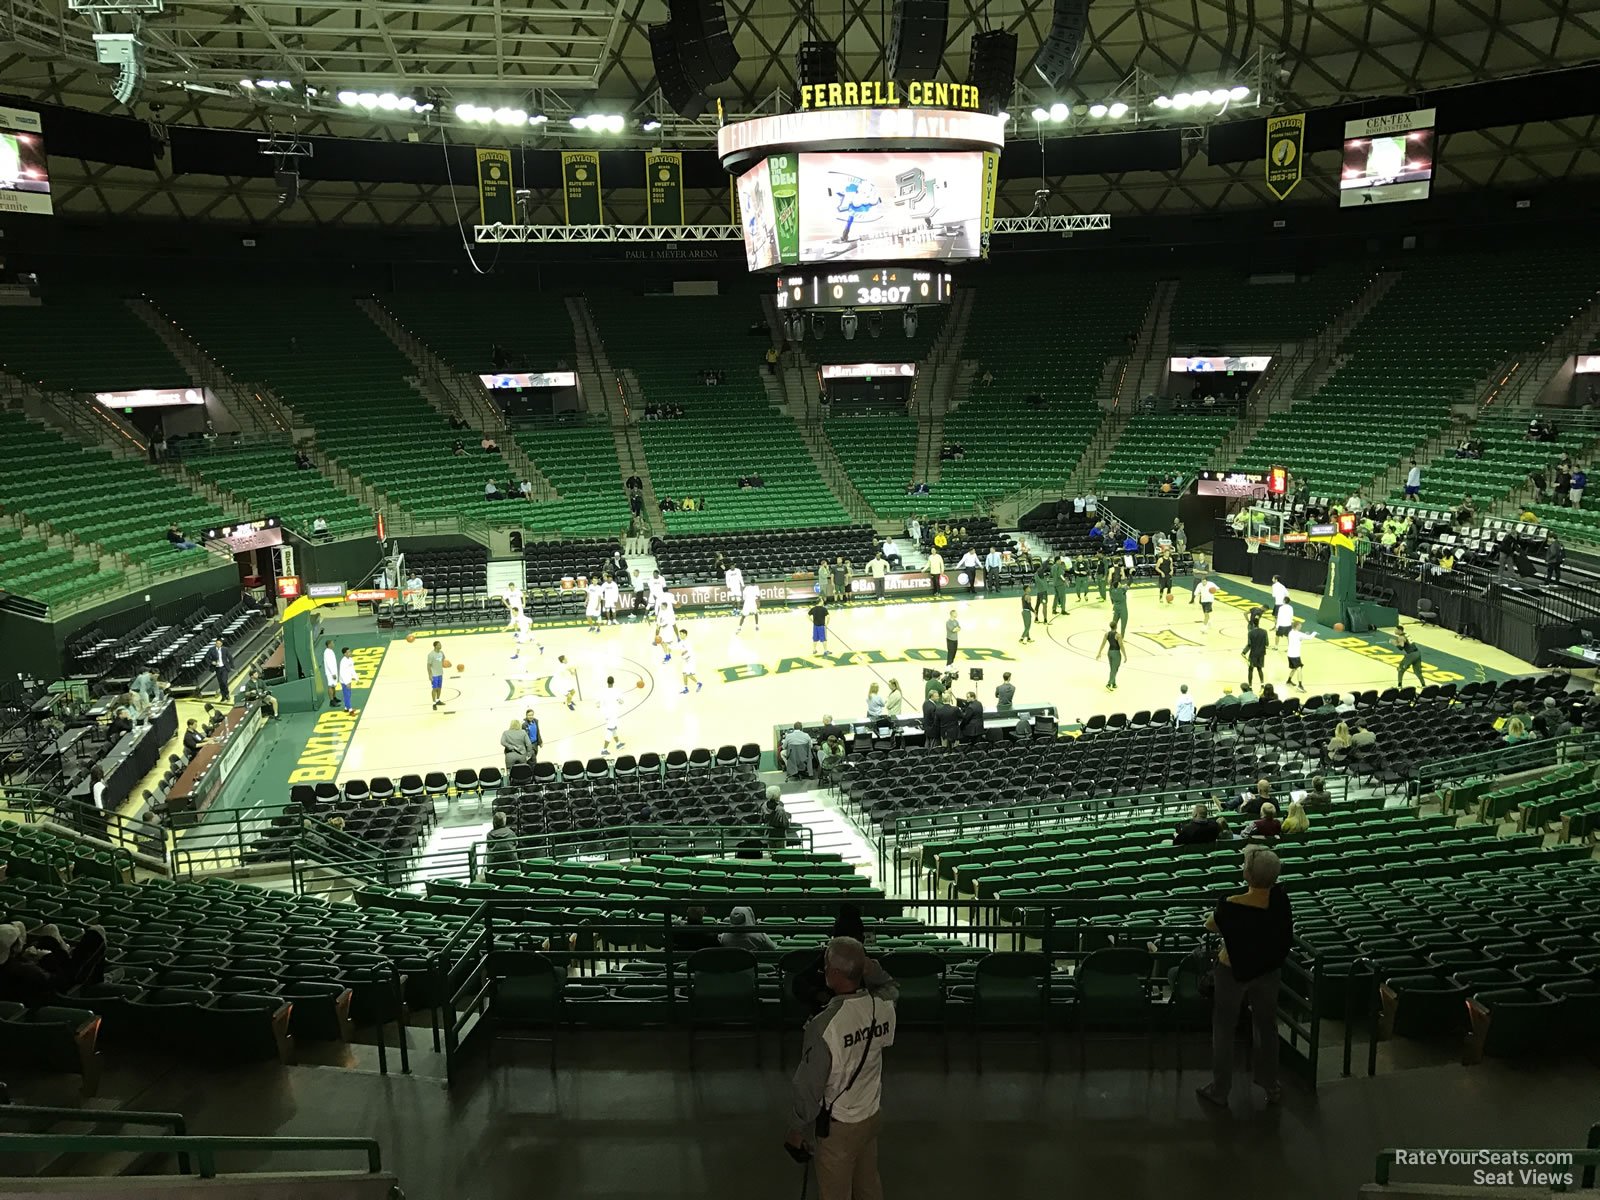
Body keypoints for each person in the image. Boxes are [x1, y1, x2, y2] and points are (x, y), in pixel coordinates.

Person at [786, 936, 898, 1197]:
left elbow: (808, 1087)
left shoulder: (824, 1026)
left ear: (835, 973)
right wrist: (870, 967)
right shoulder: (883, 1007)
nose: (823, 969)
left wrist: (797, 1128)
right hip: (870, 1115)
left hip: (840, 1126)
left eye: (826, 965)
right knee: (868, 1185)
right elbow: (891, 987)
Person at [1196, 847, 1293, 1109]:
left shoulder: (1231, 905)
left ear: (1248, 875)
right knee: (1266, 1026)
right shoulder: (1281, 899)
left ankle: (1220, 1089)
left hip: (1233, 971)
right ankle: (1271, 1085)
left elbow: (1210, 925)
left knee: (1224, 1029)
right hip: (1268, 970)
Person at [0, 921, 108, 1006]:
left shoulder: (13, 966)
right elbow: (58, 981)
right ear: (13, 949)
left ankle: (66, 949)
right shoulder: (26, 971)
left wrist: (27, 959)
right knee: (97, 932)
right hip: (66, 985)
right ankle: (96, 980)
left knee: (50, 930)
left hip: (37, 980)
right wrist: (46, 958)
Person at [599, 676, 625, 756]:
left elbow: (598, 704)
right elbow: (621, 702)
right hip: (612, 714)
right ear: (613, 682)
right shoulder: (616, 691)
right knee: (610, 731)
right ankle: (604, 750)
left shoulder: (603, 691)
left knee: (613, 729)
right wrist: (618, 700)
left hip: (606, 713)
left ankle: (618, 744)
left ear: (607, 682)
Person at [1285, 625, 1315, 692]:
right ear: (1297, 626)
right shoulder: (1298, 634)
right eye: (1300, 626)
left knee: (1294, 668)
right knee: (1299, 669)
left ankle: (1289, 681)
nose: (1301, 627)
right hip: (1295, 655)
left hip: (1290, 654)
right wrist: (1314, 633)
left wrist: (1304, 635)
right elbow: (1310, 637)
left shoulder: (1291, 632)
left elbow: (1299, 638)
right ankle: (1300, 685)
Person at [1096, 621, 1124, 691]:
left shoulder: (1107, 634)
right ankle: (1109, 684)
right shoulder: (1118, 635)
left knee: (1112, 668)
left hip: (1110, 652)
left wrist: (1099, 652)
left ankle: (1113, 683)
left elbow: (1103, 643)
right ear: (1116, 626)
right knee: (1115, 669)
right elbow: (1121, 646)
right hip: (1116, 653)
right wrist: (1125, 655)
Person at [1241, 617, 1268, 691]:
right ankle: (1262, 685)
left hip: (1253, 654)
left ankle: (1250, 686)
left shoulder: (1250, 633)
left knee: (1250, 670)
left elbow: (1249, 644)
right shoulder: (1264, 632)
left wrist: (1244, 652)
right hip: (1261, 654)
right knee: (1260, 669)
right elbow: (1267, 643)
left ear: (1253, 624)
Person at [765, 786, 794, 850]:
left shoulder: (764, 806)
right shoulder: (780, 810)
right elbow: (786, 824)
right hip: (779, 836)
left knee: (771, 854)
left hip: (768, 834)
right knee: (780, 855)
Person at [677, 628, 702, 694]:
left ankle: (699, 683)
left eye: (681, 634)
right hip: (686, 660)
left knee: (688, 674)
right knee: (684, 674)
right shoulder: (681, 642)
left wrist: (683, 653)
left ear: (685, 634)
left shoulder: (688, 642)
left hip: (691, 660)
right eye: (680, 634)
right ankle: (686, 688)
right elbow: (677, 647)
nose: (680, 635)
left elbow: (688, 651)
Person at [426, 640, 446, 710]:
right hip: (434, 674)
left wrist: (445, 664)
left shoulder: (441, 653)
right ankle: (434, 703)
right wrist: (430, 675)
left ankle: (438, 700)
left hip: (440, 673)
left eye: (440, 644)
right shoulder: (431, 655)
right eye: (439, 645)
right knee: (434, 688)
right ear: (435, 646)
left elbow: (443, 659)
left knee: (439, 688)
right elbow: (428, 666)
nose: (441, 646)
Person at [338, 647, 359, 713]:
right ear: (345, 654)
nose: (350, 653)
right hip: (344, 681)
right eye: (348, 652)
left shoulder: (350, 660)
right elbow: (342, 673)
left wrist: (356, 677)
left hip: (348, 679)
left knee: (348, 694)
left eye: (350, 651)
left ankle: (346, 707)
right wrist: (346, 682)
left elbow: (352, 669)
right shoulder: (343, 662)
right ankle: (350, 710)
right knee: (347, 694)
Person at [322, 639, 339, 706]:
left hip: (333, 671)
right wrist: (332, 673)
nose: (333, 644)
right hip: (330, 673)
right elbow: (329, 664)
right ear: (329, 644)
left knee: (333, 685)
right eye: (332, 643)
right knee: (330, 686)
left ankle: (334, 698)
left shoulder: (330, 651)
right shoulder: (327, 652)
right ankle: (331, 701)